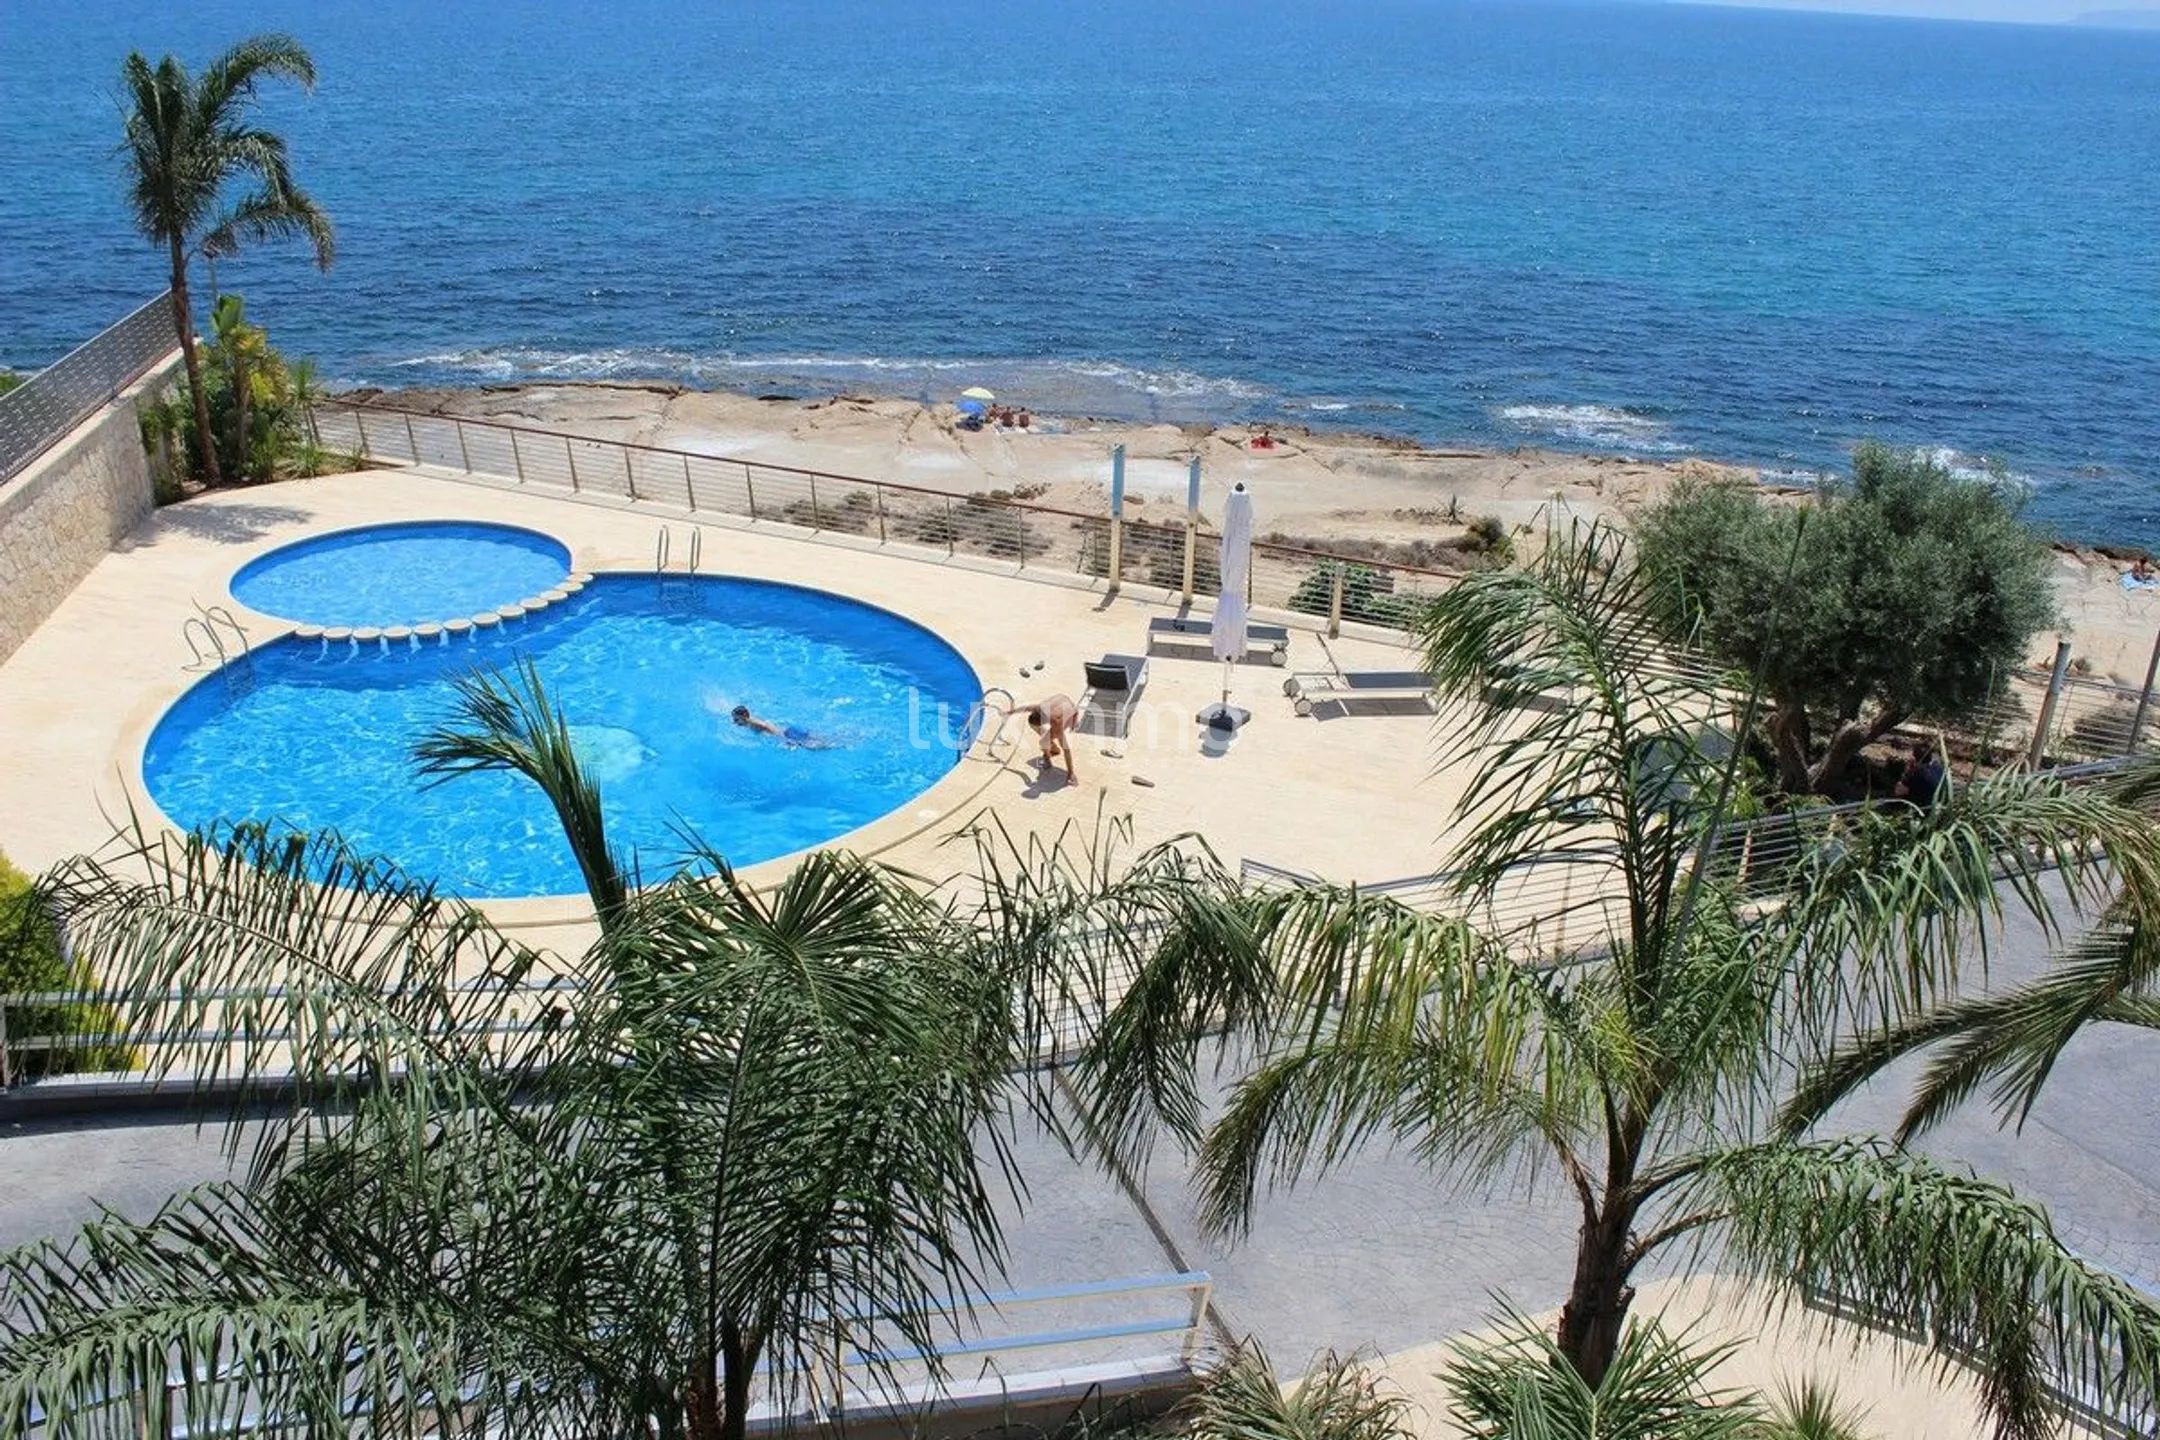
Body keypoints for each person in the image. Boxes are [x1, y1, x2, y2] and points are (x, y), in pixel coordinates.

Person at [1024, 694, 1081, 783]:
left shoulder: (1057, 723)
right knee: (1043, 739)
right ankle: (1051, 752)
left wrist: (1070, 773)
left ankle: (1052, 755)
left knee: (1055, 741)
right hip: (1061, 701)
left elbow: (1067, 750)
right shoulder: (1039, 708)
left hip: (1072, 714)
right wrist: (1009, 712)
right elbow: (1024, 708)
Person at [731, 704, 831, 750]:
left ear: (744, 716)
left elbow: (767, 726)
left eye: (736, 719)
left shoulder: (754, 724)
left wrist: (786, 741)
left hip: (789, 735)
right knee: (822, 739)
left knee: (822, 746)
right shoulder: (750, 719)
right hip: (790, 730)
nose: (735, 722)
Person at [1898, 740, 1946, 809]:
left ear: (1914, 757)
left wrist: (1907, 771)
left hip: (1924, 809)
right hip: (1940, 805)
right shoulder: (1939, 767)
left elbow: (1899, 791)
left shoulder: (1919, 773)